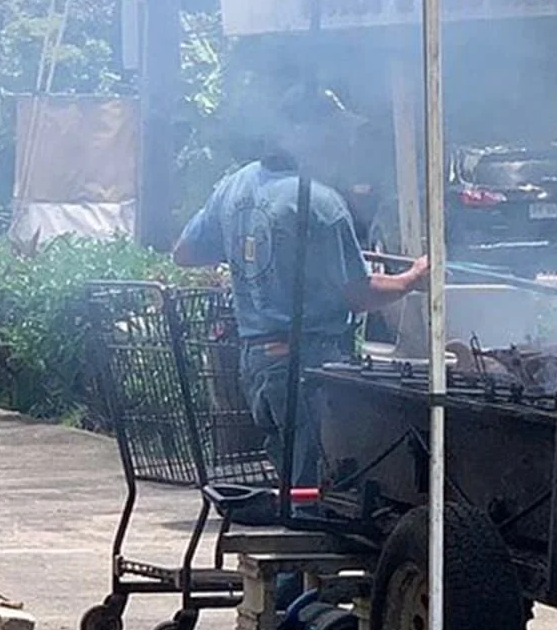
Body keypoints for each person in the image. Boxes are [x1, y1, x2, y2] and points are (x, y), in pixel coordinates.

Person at [173, 86, 428, 504]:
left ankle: (287, 567)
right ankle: (293, 570)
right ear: (303, 134)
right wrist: (411, 278)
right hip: (307, 366)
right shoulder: (321, 205)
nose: (341, 141)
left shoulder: (234, 186)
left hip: (256, 364)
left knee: (293, 485)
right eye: (332, 131)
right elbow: (358, 294)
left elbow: (185, 252)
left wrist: (249, 247)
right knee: (310, 498)